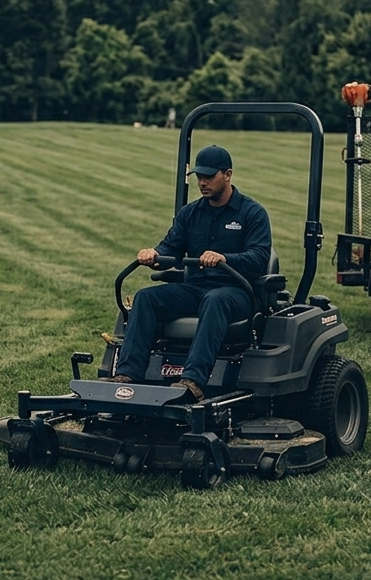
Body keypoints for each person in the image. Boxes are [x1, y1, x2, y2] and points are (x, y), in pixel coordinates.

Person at [111, 144, 272, 400]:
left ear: (227, 175)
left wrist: (224, 258)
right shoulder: (190, 213)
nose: (202, 183)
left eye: (209, 176)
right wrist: (154, 255)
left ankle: (193, 380)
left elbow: (259, 257)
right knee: (146, 298)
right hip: (196, 288)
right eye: (199, 177)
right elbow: (171, 247)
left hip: (237, 291)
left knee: (214, 300)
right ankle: (127, 375)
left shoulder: (252, 213)